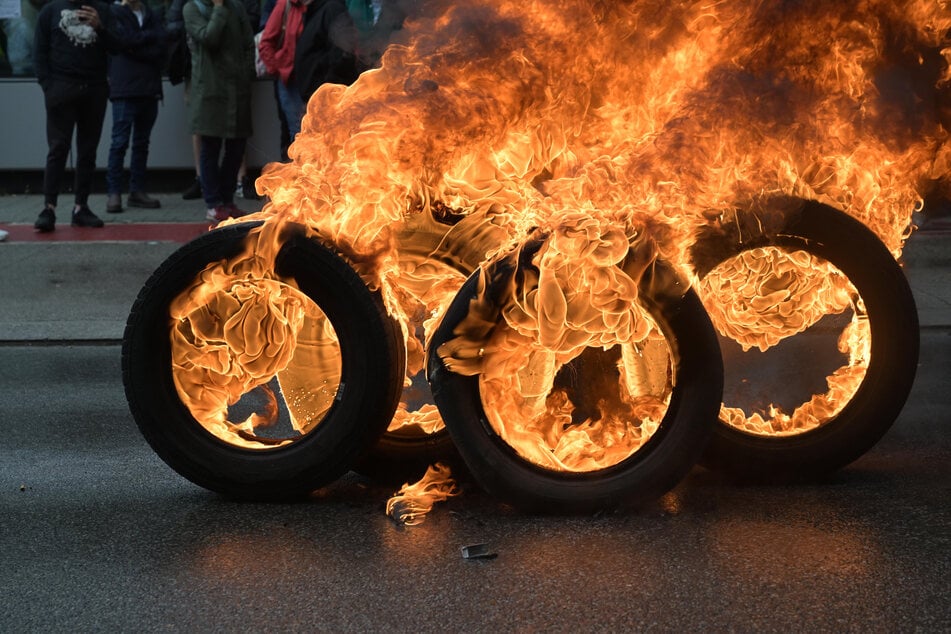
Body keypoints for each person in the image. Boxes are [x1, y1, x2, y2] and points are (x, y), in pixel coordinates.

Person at [33, 0, 120, 232]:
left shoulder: (103, 10)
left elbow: (118, 47)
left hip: (94, 89)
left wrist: (100, 27)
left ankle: (81, 207)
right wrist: (48, 87)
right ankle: (49, 208)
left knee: (87, 151)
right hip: (61, 89)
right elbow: (39, 52)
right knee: (58, 148)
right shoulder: (50, 11)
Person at [183, 0, 255, 222]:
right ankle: (213, 203)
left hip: (237, 89)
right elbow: (209, 38)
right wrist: (219, 8)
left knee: (236, 146)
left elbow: (248, 44)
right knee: (211, 146)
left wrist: (246, 74)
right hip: (210, 91)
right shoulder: (192, 8)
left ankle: (227, 199)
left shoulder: (237, 7)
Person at [104, 0, 165, 214]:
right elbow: (121, 41)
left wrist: (136, 44)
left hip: (149, 87)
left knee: (141, 143)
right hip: (125, 88)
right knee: (119, 142)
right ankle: (114, 193)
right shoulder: (115, 13)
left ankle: (136, 191)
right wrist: (146, 39)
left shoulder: (151, 13)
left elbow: (160, 44)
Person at [257, 0, 311, 151]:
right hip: (291, 81)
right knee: (298, 133)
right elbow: (265, 43)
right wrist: (279, 68)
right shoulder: (286, 5)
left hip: (313, 79)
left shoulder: (321, 6)